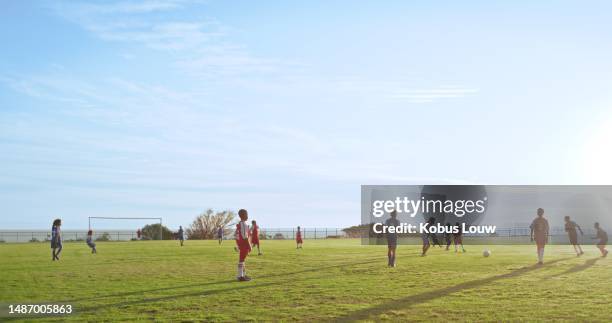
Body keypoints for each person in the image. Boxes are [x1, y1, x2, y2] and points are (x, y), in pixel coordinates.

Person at [235, 209, 252, 281]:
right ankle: (240, 276)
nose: (247, 216)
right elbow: (245, 237)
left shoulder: (240, 224)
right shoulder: (243, 224)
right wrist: (249, 246)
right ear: (243, 215)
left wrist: (238, 244)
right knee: (242, 260)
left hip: (241, 244)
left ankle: (243, 275)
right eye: (246, 214)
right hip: (244, 245)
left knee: (242, 260)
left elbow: (236, 236)